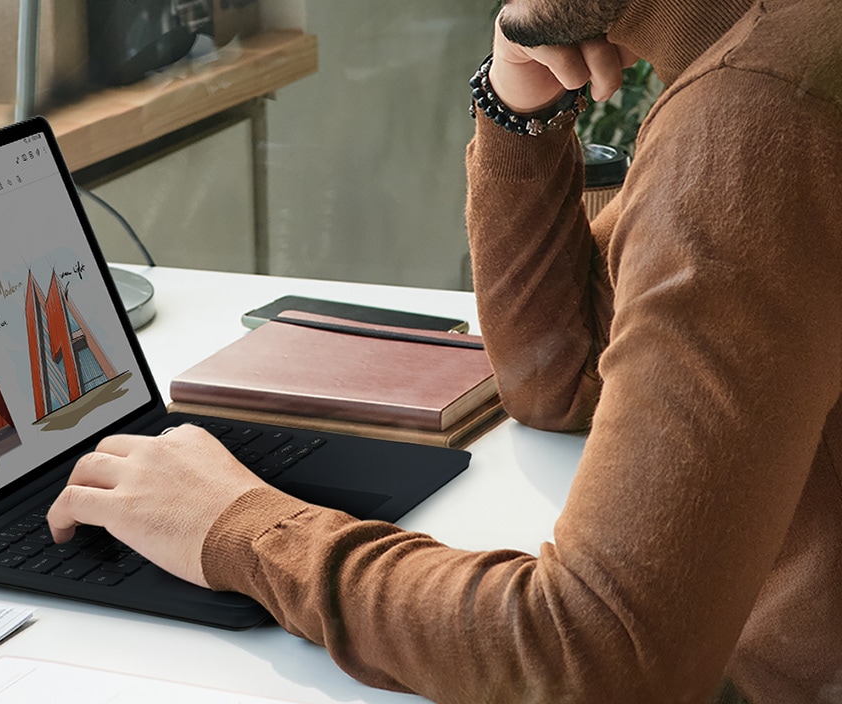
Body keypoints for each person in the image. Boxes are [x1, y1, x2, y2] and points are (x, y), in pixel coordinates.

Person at [46, 0, 842, 701]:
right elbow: (562, 379)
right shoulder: (772, 59)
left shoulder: (758, 111)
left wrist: (242, 529)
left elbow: (597, 659)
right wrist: (515, 104)